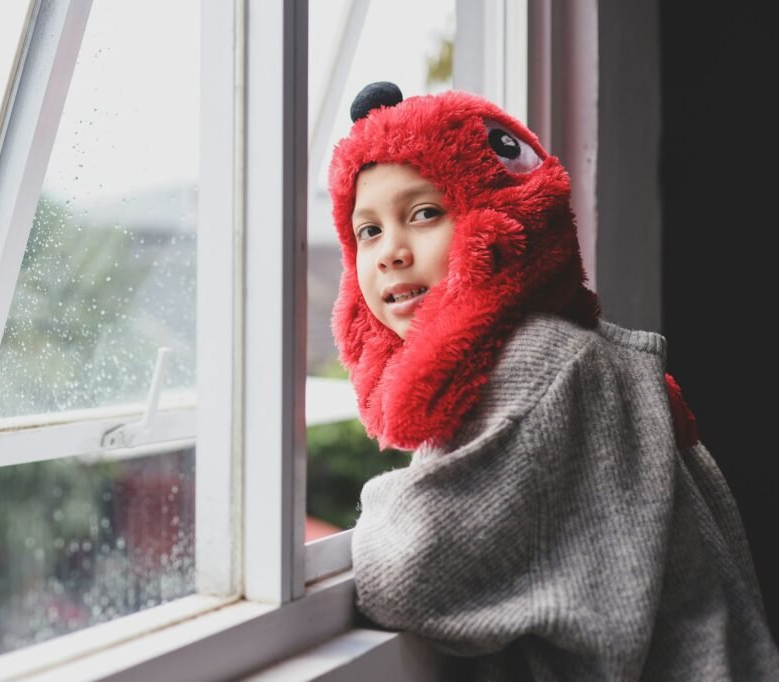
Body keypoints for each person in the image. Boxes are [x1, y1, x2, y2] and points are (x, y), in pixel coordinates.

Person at [330, 82, 779, 680]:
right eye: (368, 230)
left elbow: (407, 576)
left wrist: (388, 500)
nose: (390, 252)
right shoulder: (559, 356)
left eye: (425, 213)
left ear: (504, 220)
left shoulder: (536, 366)